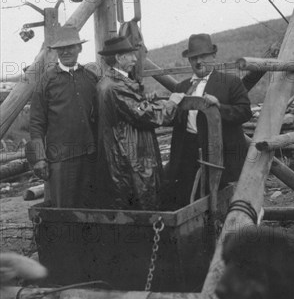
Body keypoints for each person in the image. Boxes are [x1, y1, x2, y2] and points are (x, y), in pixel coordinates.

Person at [97, 35, 184, 211]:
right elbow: (145, 116)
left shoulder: (108, 82)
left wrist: (145, 100)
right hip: (130, 153)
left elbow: (132, 108)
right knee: (141, 202)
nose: (135, 59)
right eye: (130, 55)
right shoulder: (116, 86)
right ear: (119, 58)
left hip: (122, 150)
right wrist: (172, 104)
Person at [169, 33, 252, 207]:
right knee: (189, 197)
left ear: (213, 56)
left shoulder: (230, 82)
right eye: (194, 58)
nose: (198, 62)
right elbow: (174, 120)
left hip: (221, 152)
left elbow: (244, 112)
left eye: (203, 56)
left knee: (220, 200)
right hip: (188, 151)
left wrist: (219, 106)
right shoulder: (181, 87)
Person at [27, 26, 98, 208]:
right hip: (60, 159)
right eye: (61, 48)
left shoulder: (90, 78)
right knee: (63, 211)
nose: (66, 51)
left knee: (91, 207)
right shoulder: (46, 81)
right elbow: (36, 123)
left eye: (71, 47)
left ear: (79, 48)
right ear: (57, 52)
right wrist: (40, 158)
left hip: (90, 156)